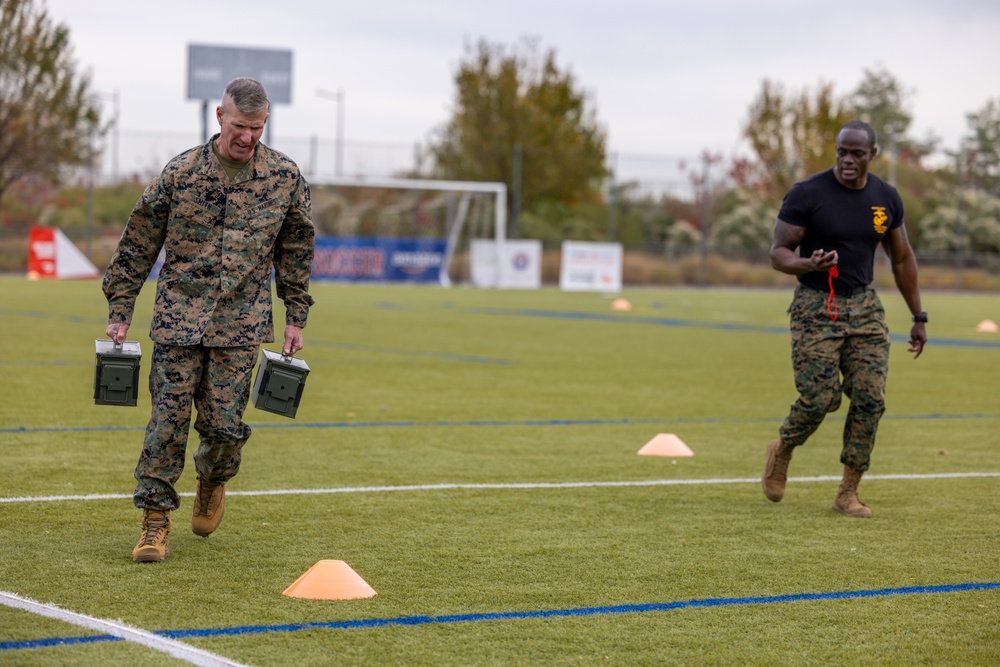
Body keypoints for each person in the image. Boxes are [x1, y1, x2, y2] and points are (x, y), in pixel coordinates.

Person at [102, 77, 315, 562]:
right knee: (167, 422)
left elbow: (297, 250)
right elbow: (138, 242)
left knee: (223, 428)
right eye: (240, 126)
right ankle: (154, 520)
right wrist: (120, 309)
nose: (248, 137)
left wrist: (296, 315)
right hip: (178, 321)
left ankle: (213, 479)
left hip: (240, 325)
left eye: (257, 128)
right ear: (220, 117)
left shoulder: (285, 177)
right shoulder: (181, 173)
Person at [761, 120, 927, 518]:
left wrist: (918, 315)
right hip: (818, 307)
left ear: (872, 154)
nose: (847, 160)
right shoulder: (808, 194)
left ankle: (847, 493)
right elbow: (778, 252)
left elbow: (901, 259)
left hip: (866, 308)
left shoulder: (886, 198)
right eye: (841, 151)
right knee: (820, 400)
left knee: (871, 400)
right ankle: (782, 448)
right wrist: (808, 263)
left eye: (856, 153)